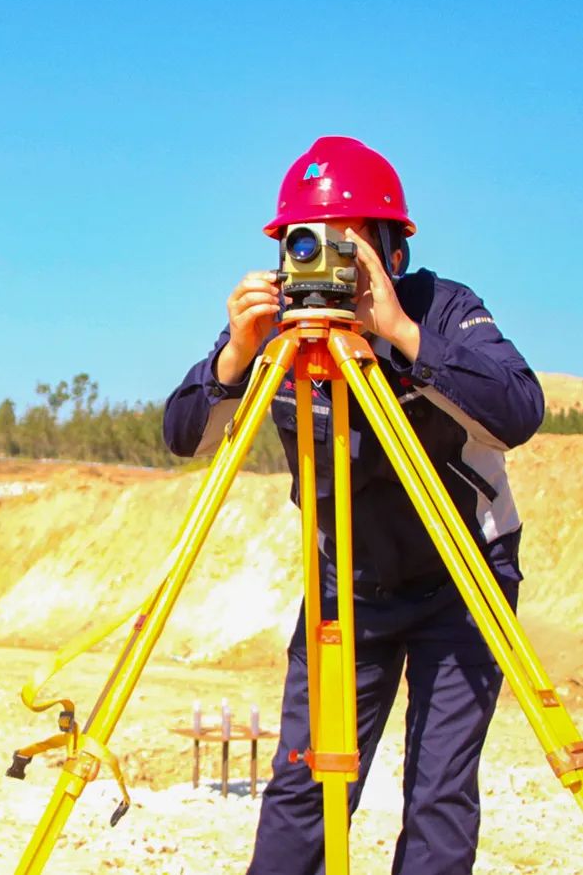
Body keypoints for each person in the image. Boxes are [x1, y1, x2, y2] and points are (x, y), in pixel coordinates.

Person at [163, 136, 545, 875]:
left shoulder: (442, 308)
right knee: (306, 785)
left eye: (347, 244)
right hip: (347, 587)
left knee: (437, 794)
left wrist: (399, 332)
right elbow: (186, 437)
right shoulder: (279, 328)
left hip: (463, 581)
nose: (321, 263)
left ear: (391, 250)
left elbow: (516, 412)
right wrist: (233, 358)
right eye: (303, 244)